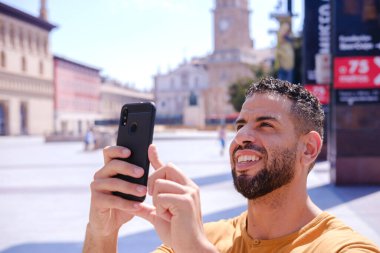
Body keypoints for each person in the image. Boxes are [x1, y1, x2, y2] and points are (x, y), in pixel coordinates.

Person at [83, 77, 379, 252]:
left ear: (309, 148)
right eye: (240, 124)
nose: (242, 137)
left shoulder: (343, 248)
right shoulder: (204, 237)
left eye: (265, 125)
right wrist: (102, 233)